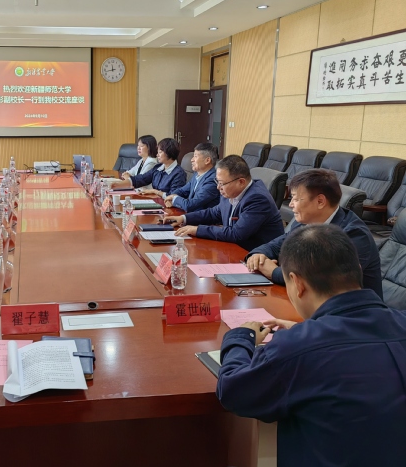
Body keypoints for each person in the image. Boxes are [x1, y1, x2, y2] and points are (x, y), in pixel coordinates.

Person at [216, 225, 406, 466]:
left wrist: (240, 337)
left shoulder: (296, 347)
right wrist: (304, 331)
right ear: (357, 270)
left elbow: (233, 391)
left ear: (297, 283)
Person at [246, 169, 383, 298]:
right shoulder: (305, 221)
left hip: (352, 310)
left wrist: (274, 272)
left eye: (296, 199)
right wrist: (258, 255)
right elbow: (279, 244)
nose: (291, 204)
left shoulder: (353, 234)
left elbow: (322, 278)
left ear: (320, 201)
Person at [164, 155, 284, 251]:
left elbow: (236, 234)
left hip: (254, 255)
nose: (218, 187)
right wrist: (184, 218)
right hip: (232, 249)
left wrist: (197, 230)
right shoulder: (230, 191)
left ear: (241, 182)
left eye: (221, 183)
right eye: (217, 182)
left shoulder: (258, 199)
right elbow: (214, 213)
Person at [112, 138, 186, 196]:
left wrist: (154, 191)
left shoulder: (179, 173)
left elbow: (173, 197)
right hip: (155, 202)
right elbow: (140, 179)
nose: (157, 155)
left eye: (160, 152)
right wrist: (116, 185)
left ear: (169, 153)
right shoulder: (158, 168)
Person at [163, 142, 220, 213]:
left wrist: (174, 198)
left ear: (207, 160)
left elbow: (190, 205)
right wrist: (170, 198)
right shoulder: (197, 174)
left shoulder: (213, 180)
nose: (192, 159)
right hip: (191, 215)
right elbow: (182, 191)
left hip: (202, 218)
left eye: (195, 156)